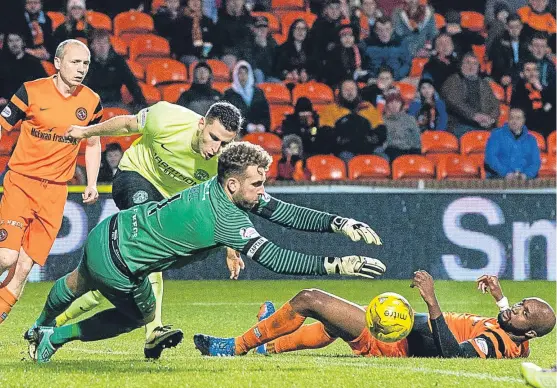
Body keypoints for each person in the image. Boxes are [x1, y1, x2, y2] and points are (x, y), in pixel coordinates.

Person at [25, 141, 386, 363]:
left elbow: (284, 212)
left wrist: (339, 224)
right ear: (234, 183)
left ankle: (39, 325)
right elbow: (277, 258)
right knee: (138, 316)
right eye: (258, 183)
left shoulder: (218, 187)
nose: (263, 191)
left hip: (109, 230)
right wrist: (338, 264)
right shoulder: (225, 217)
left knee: (74, 283)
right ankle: (55, 337)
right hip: (120, 268)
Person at [56, 100, 244, 359]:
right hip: (134, 177)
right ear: (201, 123)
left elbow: (225, 204)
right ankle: (154, 330)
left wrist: (231, 248)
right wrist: (85, 132)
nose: (216, 149)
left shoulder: (223, 163)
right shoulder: (167, 117)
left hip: (168, 204)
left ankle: (55, 323)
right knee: (148, 243)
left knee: (126, 272)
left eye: (225, 144)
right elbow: (126, 124)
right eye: (213, 138)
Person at [193, 271, 556, 358]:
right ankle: (266, 344)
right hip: (405, 328)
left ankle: (234, 346)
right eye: (521, 304)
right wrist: (500, 298)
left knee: (310, 298)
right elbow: (511, 319)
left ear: (532, 334)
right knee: (332, 322)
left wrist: (432, 302)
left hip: (393, 340)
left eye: (523, 313)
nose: (515, 311)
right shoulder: (516, 331)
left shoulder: (496, 343)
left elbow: (455, 353)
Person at [0, 39, 102, 324]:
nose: (81, 69)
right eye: (75, 62)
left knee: (21, 271)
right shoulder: (31, 91)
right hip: (21, 182)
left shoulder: (91, 101)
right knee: (6, 257)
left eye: (85, 64)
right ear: (57, 63)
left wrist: (91, 181)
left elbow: (92, 142)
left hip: (56, 193)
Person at [85, 29, 146, 110]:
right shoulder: (86, 63)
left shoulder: (118, 61)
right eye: (98, 43)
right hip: (94, 105)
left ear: (109, 44)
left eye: (105, 42)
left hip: (115, 102)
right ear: (92, 46)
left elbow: (132, 83)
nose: (102, 46)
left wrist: (141, 103)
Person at [441, 53, 500, 137]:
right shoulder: (453, 80)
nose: (471, 66)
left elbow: (495, 105)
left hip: (485, 125)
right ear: (461, 65)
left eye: (475, 63)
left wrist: (490, 119)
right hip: (461, 125)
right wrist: (474, 115)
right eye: (468, 63)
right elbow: (455, 102)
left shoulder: (484, 84)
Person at [485, 107, 541, 179]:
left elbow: (535, 162)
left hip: (525, 179)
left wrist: (526, 175)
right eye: (511, 118)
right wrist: (505, 173)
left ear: (523, 120)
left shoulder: (531, 140)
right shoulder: (496, 135)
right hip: (499, 177)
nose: (514, 121)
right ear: (508, 120)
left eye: (518, 118)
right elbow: (491, 158)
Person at [0, 32, 47, 106]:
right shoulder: (3, 63)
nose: (14, 44)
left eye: (17, 40)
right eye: (10, 41)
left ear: (23, 42)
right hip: (9, 105)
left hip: (32, 103)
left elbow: (44, 84)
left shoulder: (33, 62)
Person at [511, 59, 556, 136]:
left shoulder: (542, 89)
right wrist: (546, 108)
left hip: (548, 129)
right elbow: (528, 117)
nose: (532, 73)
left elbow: (553, 104)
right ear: (522, 74)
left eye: (535, 70)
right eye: (528, 70)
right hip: (530, 131)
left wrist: (541, 89)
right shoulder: (518, 91)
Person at [223, 61, 270, 133]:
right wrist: (247, 127)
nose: (243, 76)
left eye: (245, 73)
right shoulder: (229, 94)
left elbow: (265, 114)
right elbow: (229, 117)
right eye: (240, 73)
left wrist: (262, 126)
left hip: (259, 131)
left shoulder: (259, 92)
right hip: (238, 132)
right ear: (235, 75)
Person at [379, 88, 422, 161]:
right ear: (387, 105)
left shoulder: (410, 119)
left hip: (410, 150)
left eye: (397, 101)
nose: (394, 104)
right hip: (392, 151)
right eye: (391, 102)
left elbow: (416, 139)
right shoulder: (382, 120)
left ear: (401, 103)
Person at [489, 13, 529, 88]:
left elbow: (526, 61)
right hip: (503, 76)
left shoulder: (526, 42)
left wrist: (515, 75)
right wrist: (507, 76)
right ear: (506, 27)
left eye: (517, 27)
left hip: (521, 75)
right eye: (511, 27)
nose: (514, 30)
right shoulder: (499, 41)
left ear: (521, 27)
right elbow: (498, 63)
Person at [273, 19, 312, 84]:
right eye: (298, 28)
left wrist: (307, 74)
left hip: (308, 83)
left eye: (303, 29)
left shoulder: (311, 49)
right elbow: (277, 69)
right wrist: (287, 74)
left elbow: (315, 68)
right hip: (289, 82)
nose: (300, 32)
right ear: (292, 31)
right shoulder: (282, 48)